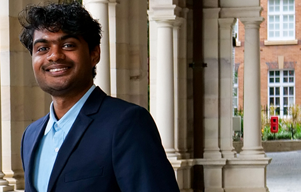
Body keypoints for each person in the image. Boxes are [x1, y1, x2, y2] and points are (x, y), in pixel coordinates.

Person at [17, 2, 179, 192]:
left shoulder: (128, 123)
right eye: (42, 48)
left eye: (68, 45)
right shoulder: (31, 135)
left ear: (94, 54)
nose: (54, 56)